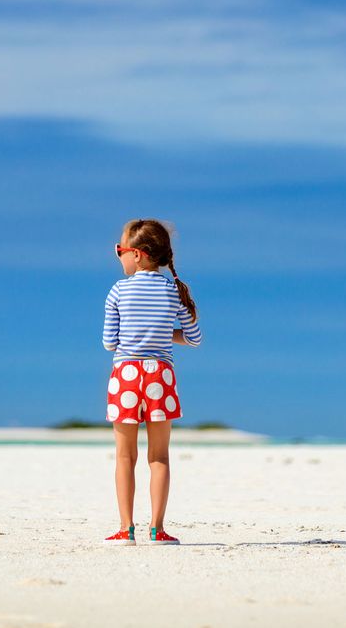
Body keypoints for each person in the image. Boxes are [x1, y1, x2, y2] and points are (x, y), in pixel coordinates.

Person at [101, 218, 202, 546]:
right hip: (161, 376)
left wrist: (139, 335)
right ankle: (157, 529)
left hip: (126, 375)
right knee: (159, 456)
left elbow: (109, 342)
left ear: (139, 255)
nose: (118, 256)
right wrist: (161, 335)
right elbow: (194, 337)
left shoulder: (118, 290)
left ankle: (125, 528)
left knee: (124, 456)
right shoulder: (174, 290)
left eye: (120, 250)